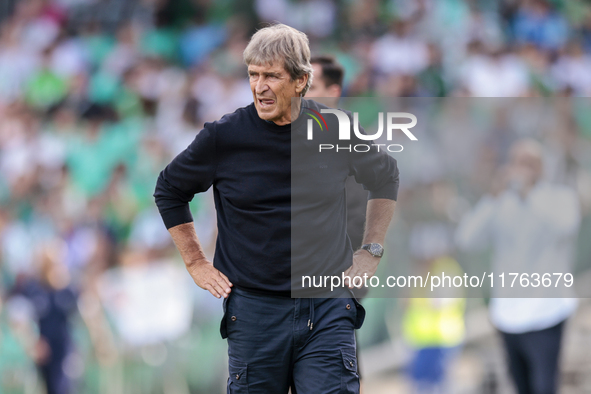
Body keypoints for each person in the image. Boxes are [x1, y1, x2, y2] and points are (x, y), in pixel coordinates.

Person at [154, 24, 400, 393]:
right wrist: (195, 261)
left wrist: (372, 249)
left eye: (272, 76)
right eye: (253, 75)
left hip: (327, 306)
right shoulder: (224, 136)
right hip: (254, 315)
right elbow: (169, 189)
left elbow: (385, 177)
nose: (259, 86)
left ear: (301, 80)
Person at [455, 139, 580, 394]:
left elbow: (566, 226)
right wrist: (492, 197)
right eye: (516, 162)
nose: (521, 170)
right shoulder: (499, 203)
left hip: (547, 311)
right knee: (520, 386)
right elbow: (466, 239)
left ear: (541, 167)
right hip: (508, 315)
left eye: (529, 163)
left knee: (544, 386)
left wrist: (529, 194)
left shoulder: (558, 197)